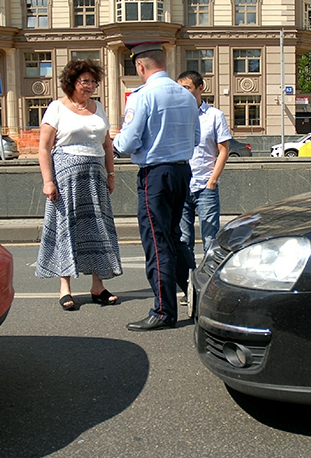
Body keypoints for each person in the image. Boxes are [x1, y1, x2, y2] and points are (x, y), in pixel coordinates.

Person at [114, 41, 200, 331]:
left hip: (155, 176)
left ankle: (163, 311)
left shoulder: (142, 96)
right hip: (182, 171)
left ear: (140, 66)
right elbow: (196, 138)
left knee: (157, 240)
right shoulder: (186, 95)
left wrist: (114, 142)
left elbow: (128, 142)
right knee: (175, 237)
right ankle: (199, 297)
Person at [35, 58, 122, 311]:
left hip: (96, 178)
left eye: (94, 82)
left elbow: (107, 145)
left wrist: (111, 174)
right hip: (66, 179)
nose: (90, 86)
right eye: (85, 81)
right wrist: (48, 181)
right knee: (67, 228)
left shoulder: (98, 107)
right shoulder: (56, 108)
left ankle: (98, 286)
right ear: (72, 82)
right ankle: (65, 287)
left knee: (97, 228)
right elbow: (44, 148)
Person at [176, 70, 231, 306]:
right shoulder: (176, 115)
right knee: (184, 240)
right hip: (182, 185)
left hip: (205, 185)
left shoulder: (214, 115)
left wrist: (212, 180)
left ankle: (209, 286)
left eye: (187, 88)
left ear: (200, 88)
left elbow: (224, 149)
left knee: (210, 239)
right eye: (180, 89)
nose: (184, 93)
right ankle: (189, 288)